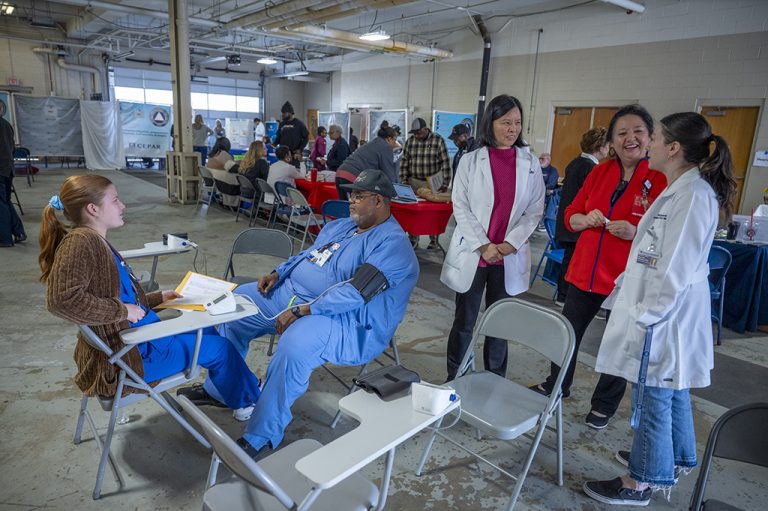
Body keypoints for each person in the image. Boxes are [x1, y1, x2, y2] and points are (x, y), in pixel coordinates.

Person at [179, 169, 419, 456]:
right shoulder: (343, 226)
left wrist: (306, 310)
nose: (350, 201)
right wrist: (278, 272)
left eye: (358, 196)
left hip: (343, 321)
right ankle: (225, 391)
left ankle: (262, 434)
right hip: (291, 296)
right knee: (233, 305)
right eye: (350, 194)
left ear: (379, 201)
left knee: (296, 344)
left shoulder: (392, 245)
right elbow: (309, 255)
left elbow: (356, 293)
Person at [583, 112, 736, 506]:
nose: (646, 144)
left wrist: (648, 317)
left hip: (666, 317)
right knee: (672, 388)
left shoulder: (693, 195)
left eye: (655, 138)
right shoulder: (681, 189)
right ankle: (670, 458)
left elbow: (676, 269)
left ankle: (641, 481)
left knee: (654, 393)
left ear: (673, 148)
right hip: (663, 311)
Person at [40, 175, 262, 421]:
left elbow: (118, 294)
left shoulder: (93, 241)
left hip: (135, 341)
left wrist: (157, 298)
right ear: (93, 209)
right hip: (131, 358)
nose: (122, 205)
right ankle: (248, 403)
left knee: (209, 333)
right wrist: (122, 311)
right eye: (115, 201)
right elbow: (61, 301)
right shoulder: (82, 243)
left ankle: (242, 390)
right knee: (222, 349)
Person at [529, 105, 667, 430]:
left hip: (626, 278)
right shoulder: (599, 172)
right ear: (612, 140)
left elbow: (666, 233)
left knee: (618, 342)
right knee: (567, 332)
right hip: (585, 270)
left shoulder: (660, 179)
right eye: (621, 133)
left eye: (637, 132)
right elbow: (571, 214)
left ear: (649, 138)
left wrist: (636, 232)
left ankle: (604, 404)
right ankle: (557, 384)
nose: (629, 139)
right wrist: (583, 219)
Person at [442, 95, 545, 381]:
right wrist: (484, 245)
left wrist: (510, 244)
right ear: (491, 123)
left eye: (517, 123)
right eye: (505, 123)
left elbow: (535, 209)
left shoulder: (531, 163)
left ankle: (494, 379)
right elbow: (459, 205)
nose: (512, 129)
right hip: (476, 254)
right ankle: (456, 377)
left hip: (508, 256)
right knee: (465, 321)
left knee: (500, 325)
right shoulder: (471, 160)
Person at [554, 127, 610, 304]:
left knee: (568, 260)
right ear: (600, 147)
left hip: (568, 221)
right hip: (577, 223)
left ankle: (563, 295)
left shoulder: (575, 163)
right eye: (607, 145)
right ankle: (565, 296)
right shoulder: (592, 169)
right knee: (572, 262)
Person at [400, 117, 452, 249]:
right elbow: (404, 162)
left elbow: (445, 162)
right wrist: (404, 180)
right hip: (414, 181)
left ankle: (433, 240)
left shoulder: (437, 140)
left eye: (419, 132)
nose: (417, 135)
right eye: (415, 133)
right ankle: (413, 238)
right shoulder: (410, 142)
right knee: (413, 212)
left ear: (425, 129)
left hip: (432, 182)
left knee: (432, 213)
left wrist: (445, 182)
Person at [335, 126, 399, 200]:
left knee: (344, 206)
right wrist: (396, 195)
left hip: (340, 173)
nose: (395, 143)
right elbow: (389, 175)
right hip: (354, 176)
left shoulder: (372, 143)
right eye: (395, 140)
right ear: (389, 139)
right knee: (364, 205)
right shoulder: (386, 147)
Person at [0, 116, 25, 248]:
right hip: (8, 169)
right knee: (5, 201)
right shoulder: (7, 125)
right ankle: (19, 232)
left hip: (1, 170)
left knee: (1, 204)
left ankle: (5, 239)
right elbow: (12, 148)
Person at [274, 101, 309, 168]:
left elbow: (306, 137)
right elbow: (278, 137)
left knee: (294, 174)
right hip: (283, 156)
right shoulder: (282, 124)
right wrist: (273, 144)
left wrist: (300, 149)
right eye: (282, 113)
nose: (283, 115)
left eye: (284, 113)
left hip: (294, 155)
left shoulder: (299, 124)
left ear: (290, 113)